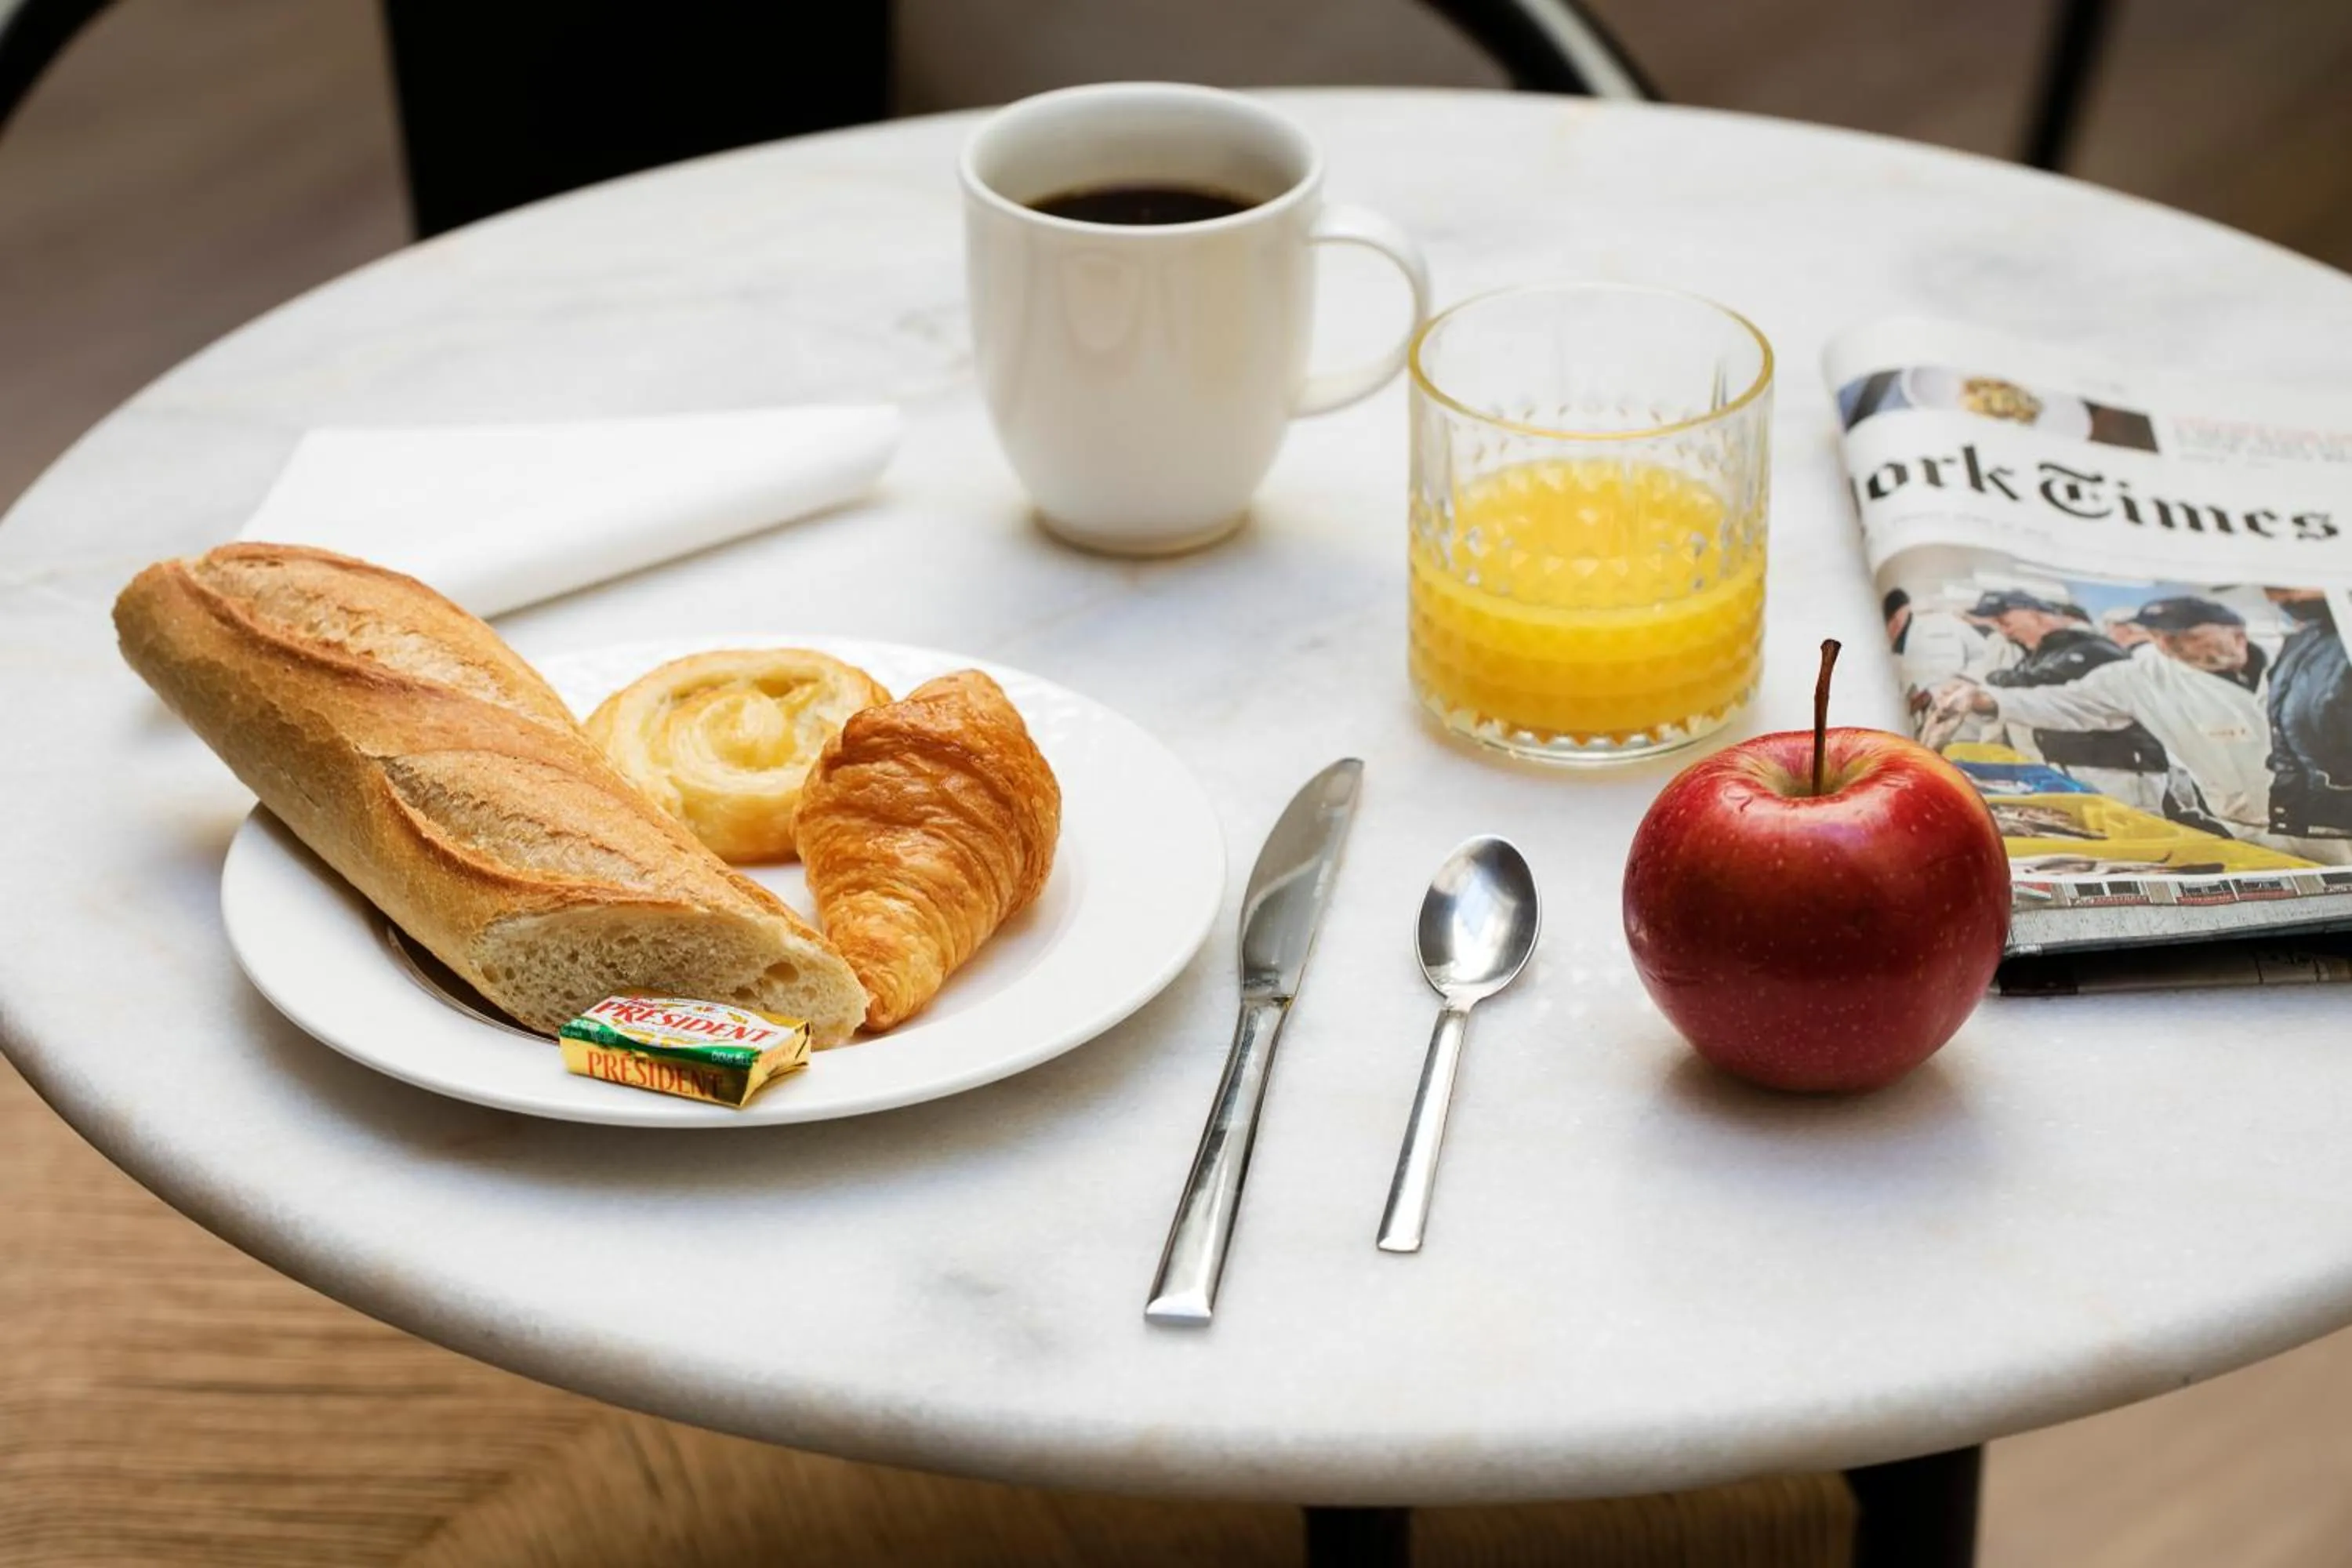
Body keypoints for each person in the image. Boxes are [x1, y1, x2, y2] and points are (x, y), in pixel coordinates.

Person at [1937, 597, 2350, 863]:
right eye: (2157, 637)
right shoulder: (2139, 676)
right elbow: (2069, 703)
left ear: (2236, 635)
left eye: (2181, 637)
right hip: (2251, 829)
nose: (2166, 648)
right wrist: (1987, 700)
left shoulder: (2299, 658)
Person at [1966, 590, 2169, 808]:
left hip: (2120, 769)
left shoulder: (2092, 649)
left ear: (2037, 615)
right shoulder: (2041, 653)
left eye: (2006, 621)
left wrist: (1988, 695)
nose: (2004, 631)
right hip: (2072, 765)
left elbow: (2048, 687)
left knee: (2132, 833)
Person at [2264, 587, 2352, 837]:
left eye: (2282, 588)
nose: (2274, 598)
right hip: (2307, 817)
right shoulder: (2303, 639)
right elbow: (2281, 730)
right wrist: (2286, 806)